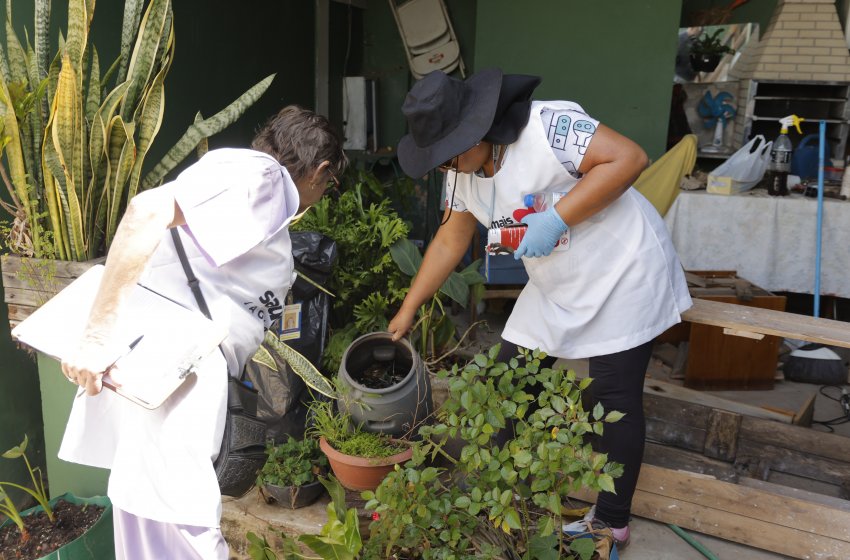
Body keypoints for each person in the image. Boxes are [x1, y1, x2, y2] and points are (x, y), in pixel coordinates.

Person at [387, 68, 692, 548]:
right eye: (438, 160)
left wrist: (557, 216)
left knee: (613, 395)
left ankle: (611, 519)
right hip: (557, 281)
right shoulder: (461, 171)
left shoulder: (549, 129)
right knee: (506, 382)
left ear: (478, 130)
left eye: (450, 155)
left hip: (623, 269)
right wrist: (408, 308)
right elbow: (451, 237)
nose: (446, 167)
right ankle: (507, 491)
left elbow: (629, 158)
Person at [58, 105, 347, 559]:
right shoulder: (265, 178)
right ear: (322, 171)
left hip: (165, 367)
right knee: (188, 530)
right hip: (178, 366)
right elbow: (146, 210)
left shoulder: (251, 181)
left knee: (151, 525)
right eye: (329, 185)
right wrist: (96, 335)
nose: (322, 194)